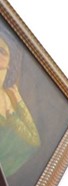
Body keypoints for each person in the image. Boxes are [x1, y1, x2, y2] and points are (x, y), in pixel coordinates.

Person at [0, 30, 40, 176]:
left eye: (1, 51)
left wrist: (18, 99)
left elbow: (34, 141)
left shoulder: (8, 98)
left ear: (10, 63)